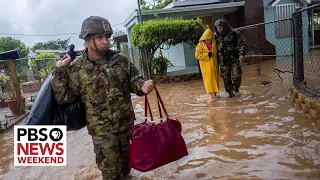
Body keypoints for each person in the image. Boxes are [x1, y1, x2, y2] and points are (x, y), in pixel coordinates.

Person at [50, 16, 154, 180]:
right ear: (87, 39)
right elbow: (64, 97)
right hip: (102, 131)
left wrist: (142, 86)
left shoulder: (121, 60)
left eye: (107, 37)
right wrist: (60, 70)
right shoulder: (77, 69)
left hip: (126, 125)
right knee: (111, 173)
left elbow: (134, 80)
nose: (105, 41)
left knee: (128, 168)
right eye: (99, 37)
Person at [214, 19, 246, 98]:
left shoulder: (234, 33)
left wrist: (241, 53)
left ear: (224, 26)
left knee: (236, 75)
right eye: (217, 28)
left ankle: (236, 88)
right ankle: (230, 93)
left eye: (220, 27)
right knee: (226, 78)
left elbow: (242, 43)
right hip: (223, 61)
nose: (219, 29)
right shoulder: (215, 36)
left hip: (234, 59)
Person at [195, 28, 219, 99]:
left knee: (215, 79)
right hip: (206, 67)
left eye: (210, 39)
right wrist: (207, 55)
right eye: (207, 39)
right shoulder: (199, 45)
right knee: (208, 80)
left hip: (214, 65)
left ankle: (215, 94)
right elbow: (197, 55)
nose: (208, 40)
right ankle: (211, 95)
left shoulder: (214, 43)